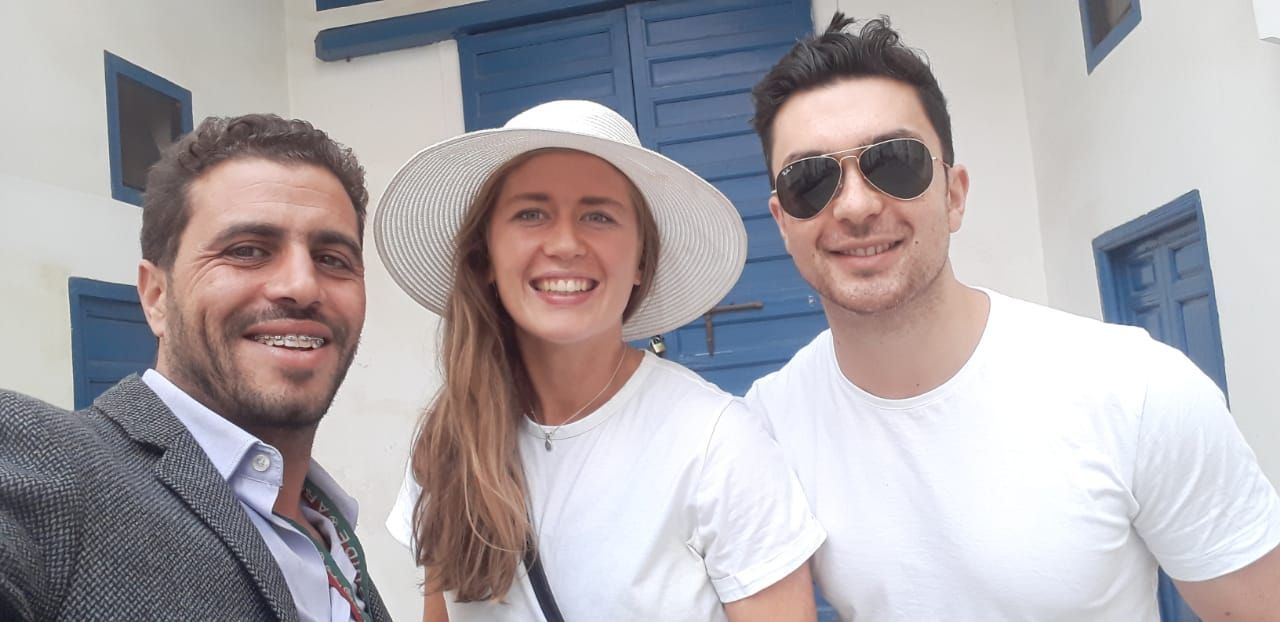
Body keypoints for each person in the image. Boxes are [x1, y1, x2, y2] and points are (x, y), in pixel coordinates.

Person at [743, 13, 1280, 622]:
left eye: (894, 162)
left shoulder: (1137, 391)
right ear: (783, 223)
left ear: (954, 195)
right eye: (809, 180)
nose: (858, 205)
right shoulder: (766, 430)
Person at [376, 99, 825, 621]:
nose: (565, 243)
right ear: (486, 258)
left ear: (639, 260)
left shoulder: (716, 446)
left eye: (598, 215)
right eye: (531, 213)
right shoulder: (447, 439)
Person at [0, 114, 392, 621]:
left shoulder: (329, 528)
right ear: (156, 296)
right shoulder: (45, 461)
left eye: (333, 258)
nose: (302, 285)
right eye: (247, 251)